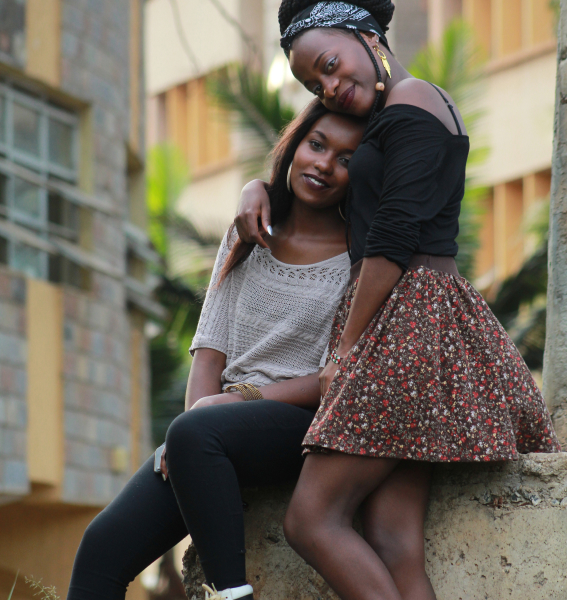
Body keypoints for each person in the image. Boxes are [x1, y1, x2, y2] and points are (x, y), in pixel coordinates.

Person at [234, 2, 561, 599]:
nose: (329, 87)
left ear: (366, 35)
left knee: (311, 520)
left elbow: (392, 237)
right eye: (314, 85)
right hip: (411, 322)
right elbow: (329, 181)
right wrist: (258, 185)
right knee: (392, 539)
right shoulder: (395, 109)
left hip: (402, 324)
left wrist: (349, 350)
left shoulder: (414, 101)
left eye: (329, 64)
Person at [66, 100, 367, 600]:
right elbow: (209, 352)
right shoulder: (246, 234)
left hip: (299, 421)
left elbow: (331, 378)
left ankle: (230, 595)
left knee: (196, 431)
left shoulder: (360, 259)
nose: (324, 165)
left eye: (346, 160)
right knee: (101, 550)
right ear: (295, 145)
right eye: (316, 145)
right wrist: (191, 428)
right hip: (213, 427)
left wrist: (229, 405)